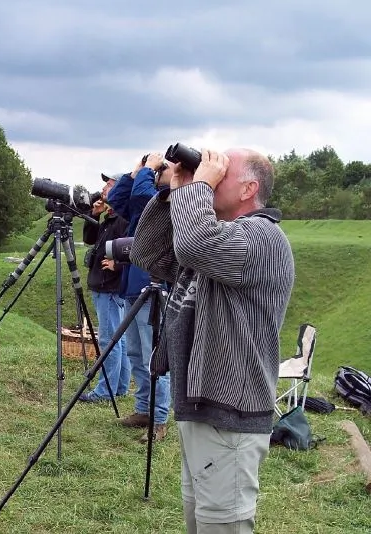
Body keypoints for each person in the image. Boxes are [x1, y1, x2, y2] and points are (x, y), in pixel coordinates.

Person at [130, 148, 295, 533]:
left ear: (248, 189)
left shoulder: (263, 239)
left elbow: (194, 244)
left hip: (230, 414)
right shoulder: (218, 239)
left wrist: (200, 187)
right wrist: (176, 192)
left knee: (222, 525)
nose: (211, 170)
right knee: (201, 521)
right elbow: (147, 252)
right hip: (201, 407)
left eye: (223, 169)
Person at [107, 152, 173, 442]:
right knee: (136, 354)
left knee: (153, 357)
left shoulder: (170, 200)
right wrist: (136, 171)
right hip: (134, 286)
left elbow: (143, 196)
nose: (160, 169)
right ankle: (144, 410)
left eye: (166, 167)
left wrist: (148, 169)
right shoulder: (145, 203)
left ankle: (159, 419)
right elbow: (117, 199)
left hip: (154, 288)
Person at [78, 172, 131, 403]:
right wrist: (94, 215)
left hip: (109, 287)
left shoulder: (124, 218)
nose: (103, 189)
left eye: (109, 184)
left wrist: (117, 265)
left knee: (109, 340)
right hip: (103, 285)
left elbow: (136, 248)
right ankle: (119, 386)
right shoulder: (109, 217)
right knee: (119, 339)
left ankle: (105, 391)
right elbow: (90, 240)